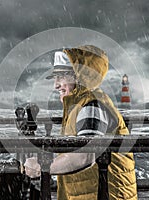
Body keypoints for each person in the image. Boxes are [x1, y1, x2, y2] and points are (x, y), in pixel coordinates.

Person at [24, 45, 137, 200]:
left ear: (79, 77)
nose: (56, 85)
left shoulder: (92, 105)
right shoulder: (80, 104)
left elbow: (85, 156)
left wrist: (41, 167)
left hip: (104, 194)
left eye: (61, 77)